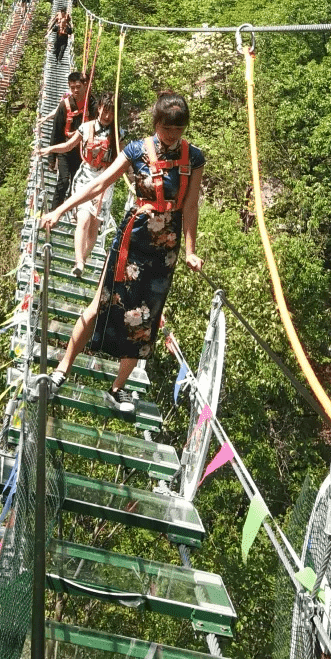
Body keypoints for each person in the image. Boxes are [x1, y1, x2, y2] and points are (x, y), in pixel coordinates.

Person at [40, 91, 205, 417]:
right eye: (168, 128)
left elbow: (190, 206)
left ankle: (116, 388)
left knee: (145, 319)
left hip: (165, 250)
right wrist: (61, 209)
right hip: (133, 239)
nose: (173, 135)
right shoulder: (136, 151)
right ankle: (61, 370)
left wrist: (190, 251)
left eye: (179, 129)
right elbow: (100, 183)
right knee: (100, 302)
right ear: (157, 123)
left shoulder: (193, 158)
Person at [37, 93, 117, 277]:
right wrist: (50, 149)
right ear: (99, 108)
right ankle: (79, 261)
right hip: (86, 176)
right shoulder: (86, 127)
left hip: (105, 181)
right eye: (105, 111)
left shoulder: (117, 134)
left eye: (111, 113)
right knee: (83, 219)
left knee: (94, 225)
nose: (107, 116)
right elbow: (68, 146)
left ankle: (84, 257)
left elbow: (122, 159)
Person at [40, 71, 95, 207]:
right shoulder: (64, 105)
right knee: (63, 180)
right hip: (65, 148)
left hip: (82, 151)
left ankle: (71, 210)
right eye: (72, 87)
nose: (75, 90)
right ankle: (54, 210)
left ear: (84, 85)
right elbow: (56, 131)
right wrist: (52, 158)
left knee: (76, 183)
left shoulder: (92, 105)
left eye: (78, 86)